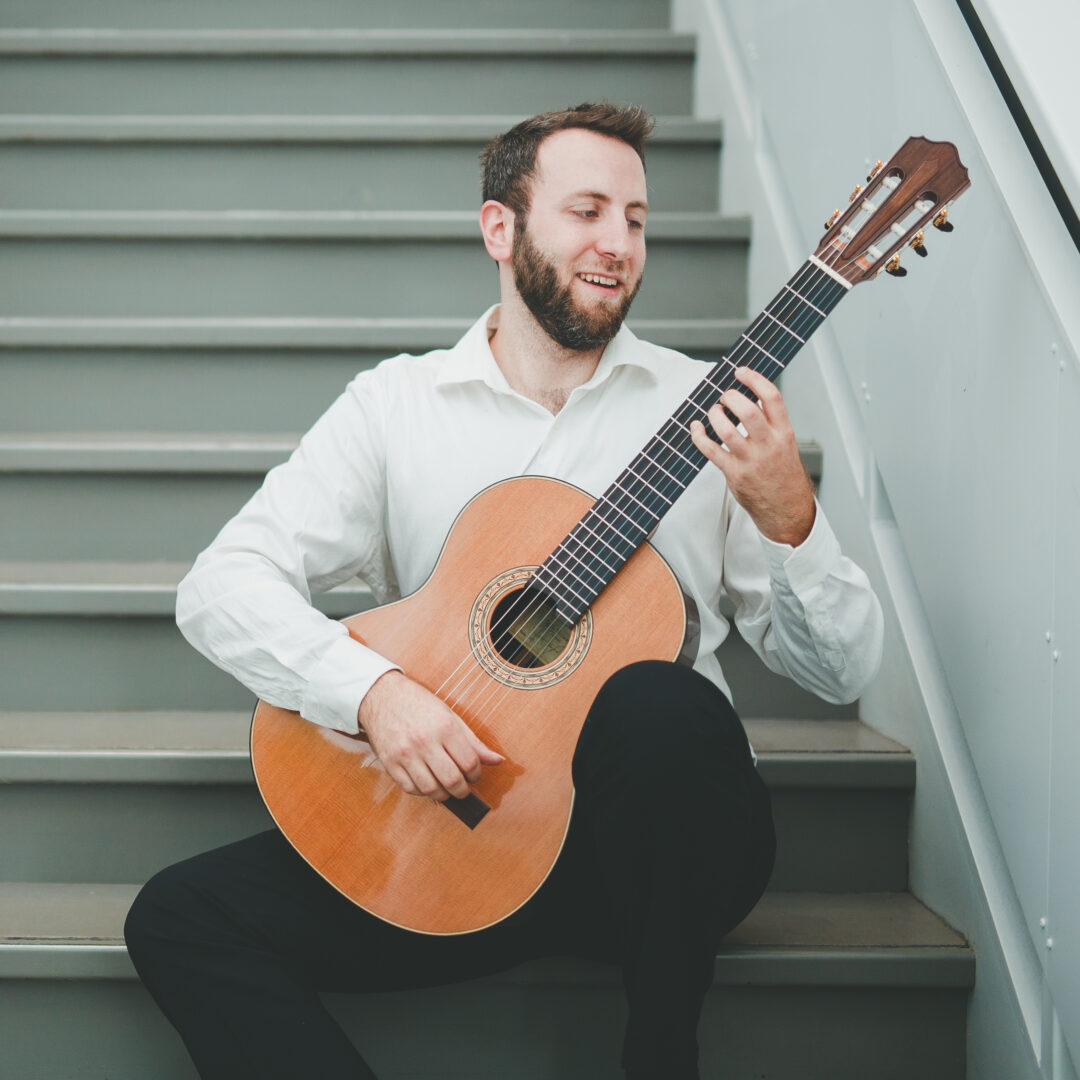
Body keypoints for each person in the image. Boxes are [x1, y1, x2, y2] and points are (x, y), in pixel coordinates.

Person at [125, 103, 883, 1079]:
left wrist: (791, 518)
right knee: (180, 919)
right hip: (461, 841)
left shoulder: (719, 414)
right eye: (588, 211)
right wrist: (372, 693)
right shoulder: (397, 407)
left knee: (658, 703)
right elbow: (222, 585)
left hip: (652, 863)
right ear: (501, 229)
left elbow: (842, 673)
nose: (619, 244)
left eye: (638, 218)